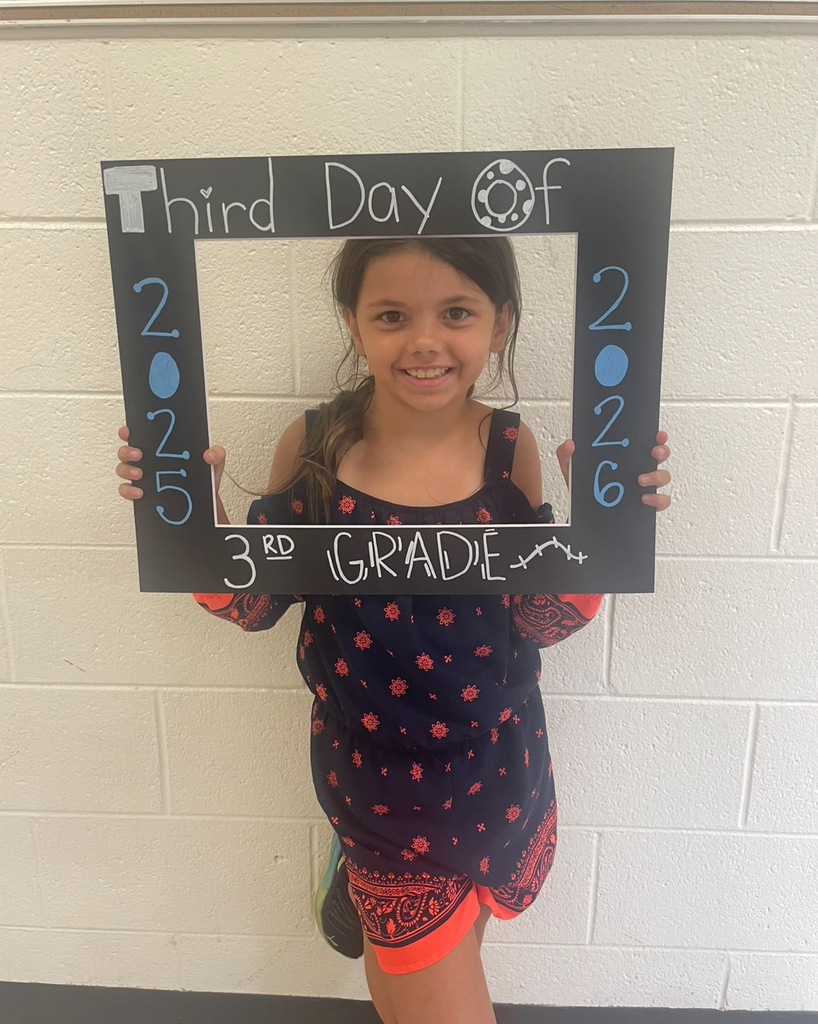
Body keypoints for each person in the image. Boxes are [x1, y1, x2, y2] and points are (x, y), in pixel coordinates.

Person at [116, 238, 671, 1024]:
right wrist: (191, 521)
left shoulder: (508, 452)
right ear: (352, 322)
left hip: (498, 767)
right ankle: (362, 876)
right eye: (391, 316)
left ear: (500, 323)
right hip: (381, 791)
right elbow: (254, 606)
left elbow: (534, 621)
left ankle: (364, 898)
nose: (424, 341)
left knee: (436, 972)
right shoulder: (315, 450)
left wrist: (598, 535)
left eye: (457, 313)